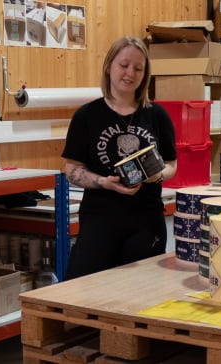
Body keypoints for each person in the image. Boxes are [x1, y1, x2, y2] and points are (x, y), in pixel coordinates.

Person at [61, 36, 177, 280]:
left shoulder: (157, 115)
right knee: (87, 292)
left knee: (140, 295)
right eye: (124, 65)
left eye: (138, 68)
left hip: (146, 221)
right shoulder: (87, 115)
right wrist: (103, 182)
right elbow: (71, 168)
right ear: (109, 67)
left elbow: (171, 165)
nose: (130, 73)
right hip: (100, 220)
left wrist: (157, 175)